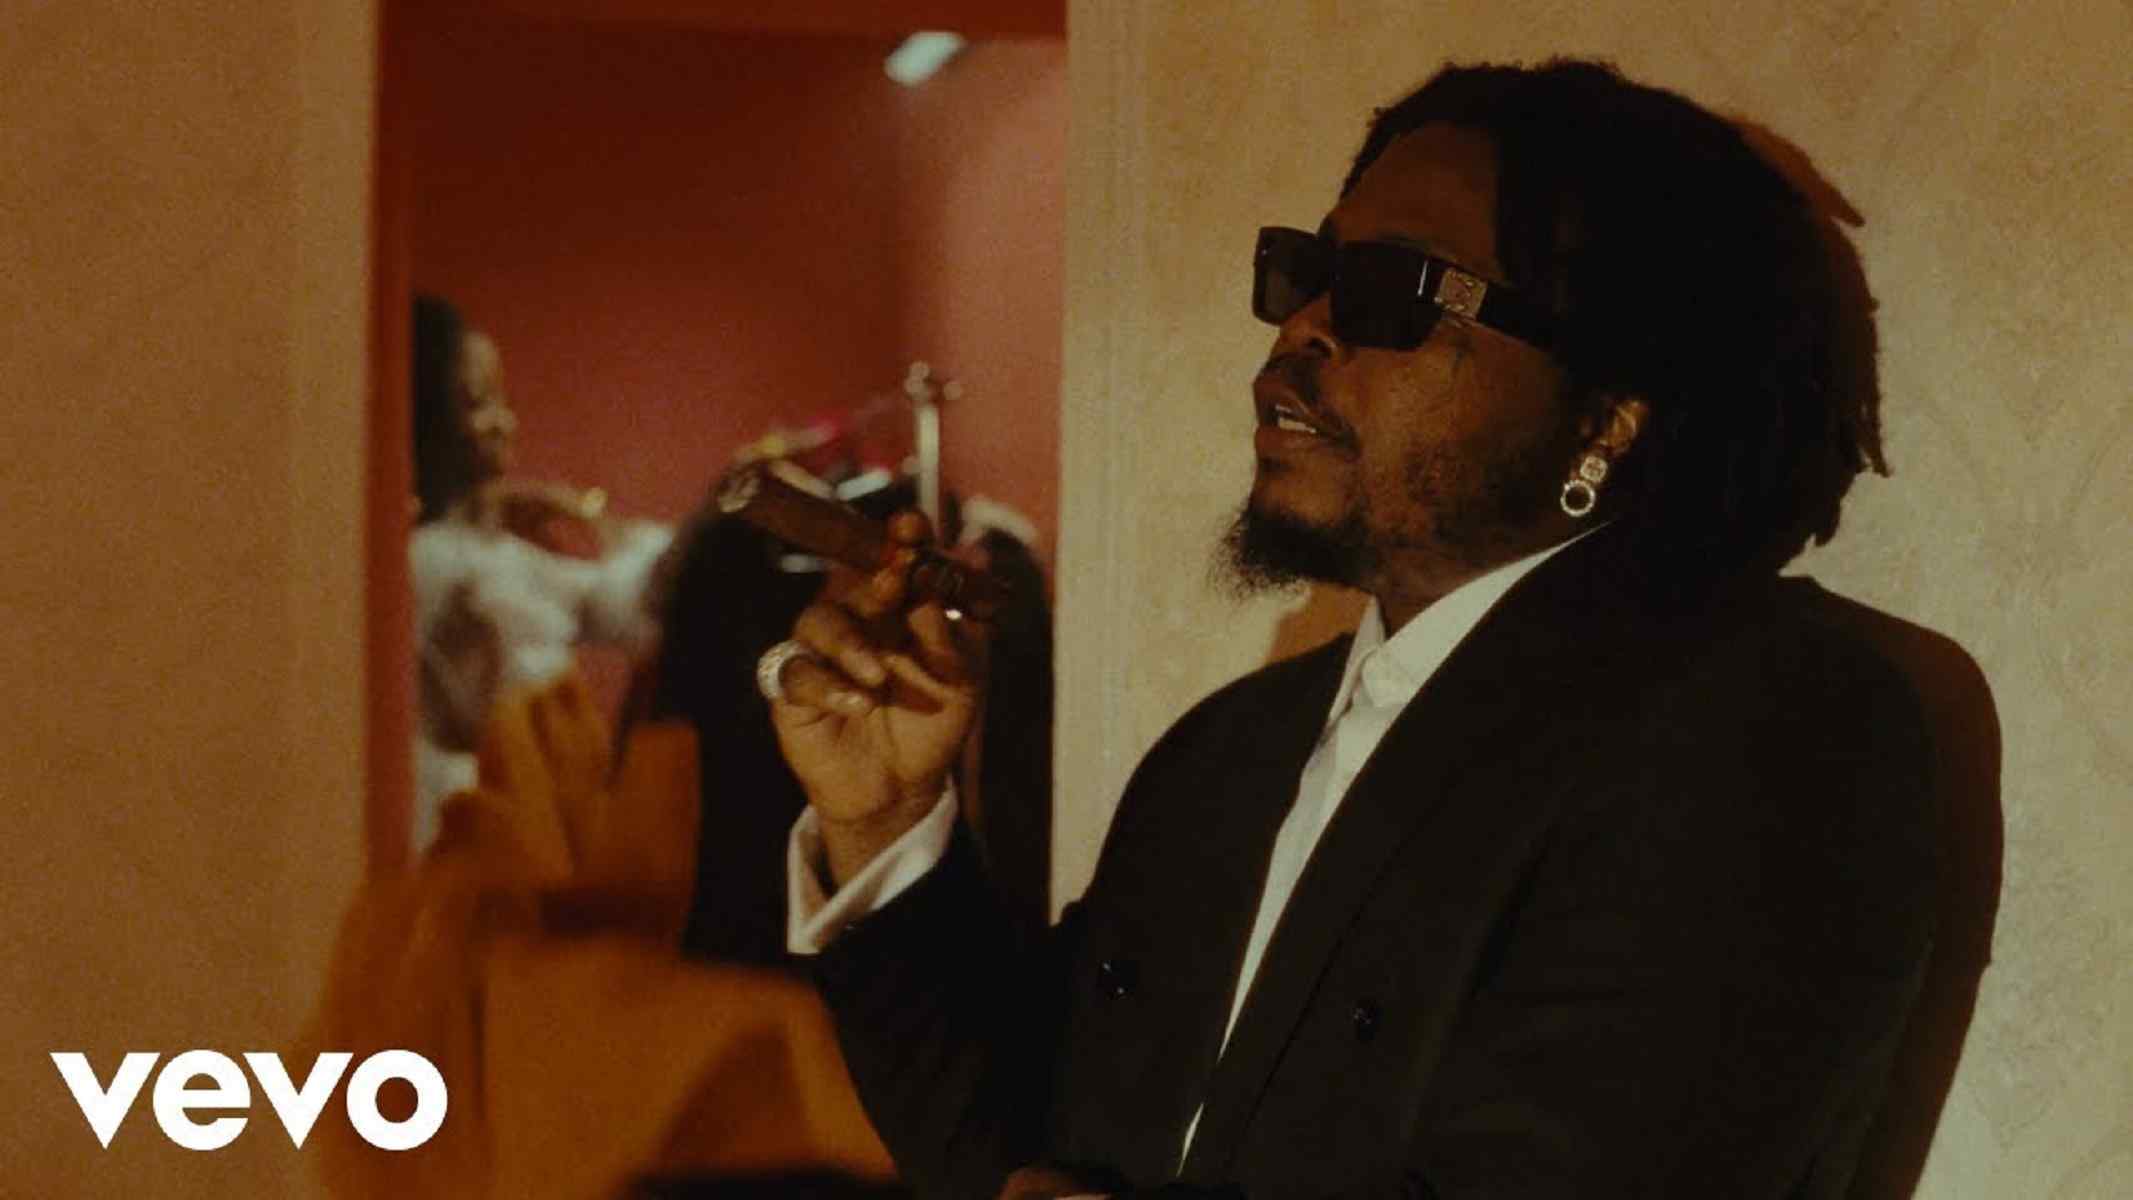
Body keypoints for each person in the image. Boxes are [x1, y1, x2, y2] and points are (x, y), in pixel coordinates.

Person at [761, 60, 1941, 1199]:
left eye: (1394, 290)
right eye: (1308, 273)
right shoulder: (1228, 755)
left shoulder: (1772, 723)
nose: (1304, 331)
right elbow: (1007, 1148)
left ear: (1607, 417)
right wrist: (884, 819)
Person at [408, 294, 672, 849]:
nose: (505, 423)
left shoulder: (500, 552)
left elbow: (637, 608)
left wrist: (587, 517)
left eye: (502, 400)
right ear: (431, 418)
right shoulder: (434, 558)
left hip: (535, 819)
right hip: (474, 827)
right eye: (478, 403)